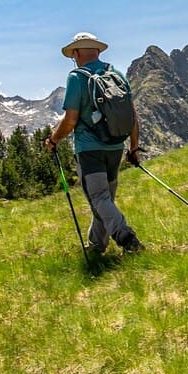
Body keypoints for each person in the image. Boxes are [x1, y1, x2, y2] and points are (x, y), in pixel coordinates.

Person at [44, 31, 144, 256]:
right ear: (97, 50)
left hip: (89, 150)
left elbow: (70, 119)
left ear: (77, 53)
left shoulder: (77, 77)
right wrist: (133, 147)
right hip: (115, 147)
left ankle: (127, 237)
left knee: (99, 199)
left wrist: (53, 140)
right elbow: (132, 114)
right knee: (104, 200)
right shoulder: (115, 73)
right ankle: (96, 247)